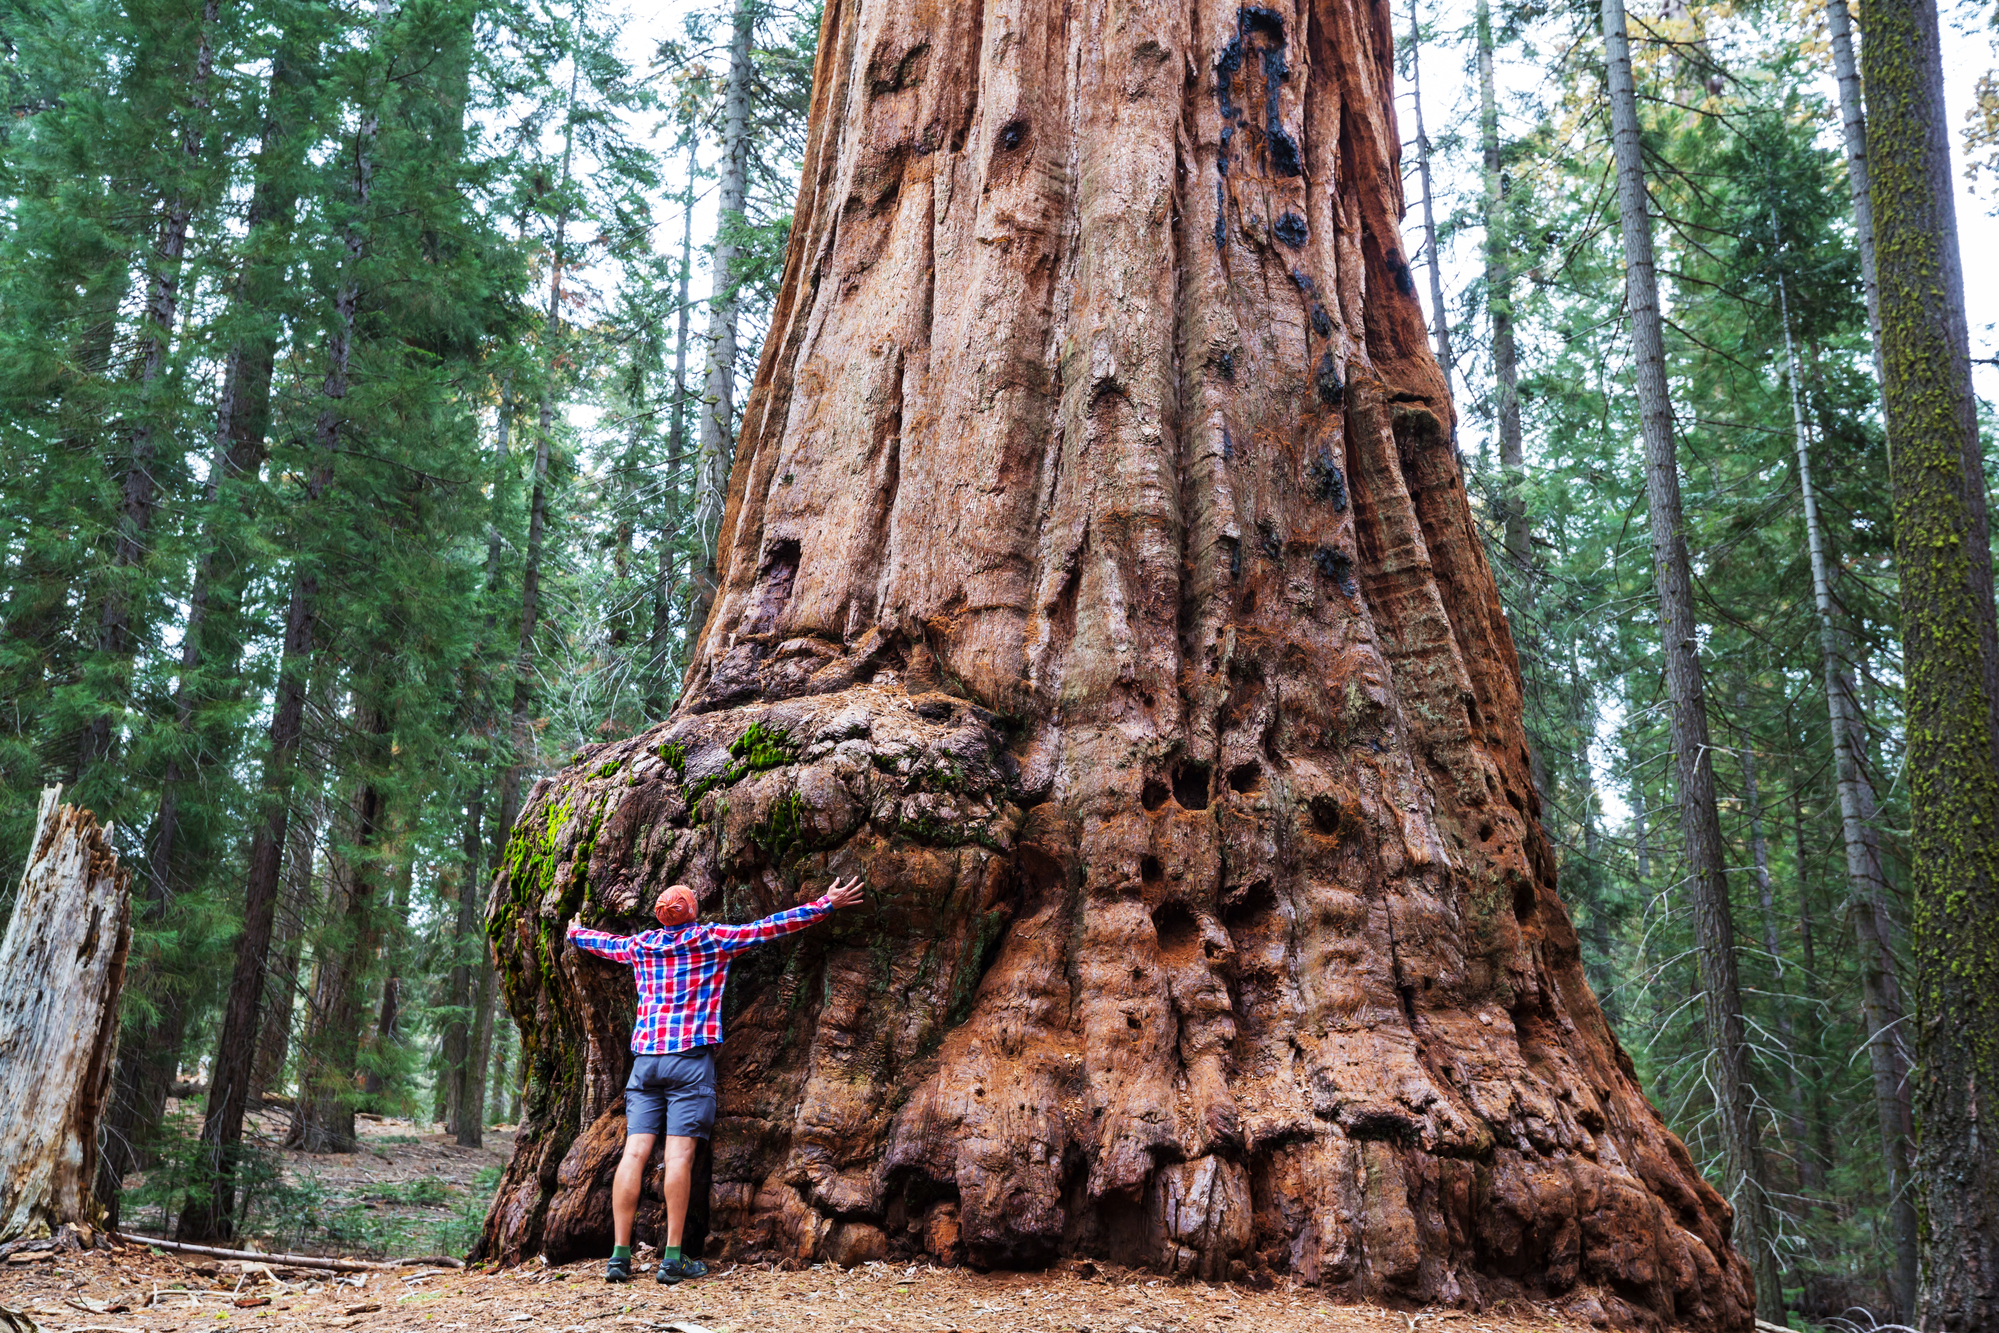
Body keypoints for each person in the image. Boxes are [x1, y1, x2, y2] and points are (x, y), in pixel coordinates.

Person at [566, 874, 866, 1284]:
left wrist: (575, 932)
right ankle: (672, 1258)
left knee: (633, 1154)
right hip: (690, 1061)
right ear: (693, 913)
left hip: (646, 1063)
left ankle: (619, 1257)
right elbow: (768, 927)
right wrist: (824, 904)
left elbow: (601, 943)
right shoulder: (712, 939)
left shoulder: (641, 946)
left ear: (660, 916)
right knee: (678, 1158)